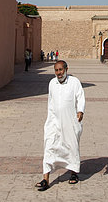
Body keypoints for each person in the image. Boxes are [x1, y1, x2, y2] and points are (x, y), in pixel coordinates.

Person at [35, 60, 85, 191]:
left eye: (61, 70)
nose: (58, 73)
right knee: (49, 147)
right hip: (54, 122)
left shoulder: (75, 82)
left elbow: (80, 97)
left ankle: (73, 173)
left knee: (71, 147)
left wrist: (80, 110)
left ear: (66, 69)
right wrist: (49, 121)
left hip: (70, 122)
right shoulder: (52, 83)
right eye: (56, 70)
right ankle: (45, 178)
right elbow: (50, 103)